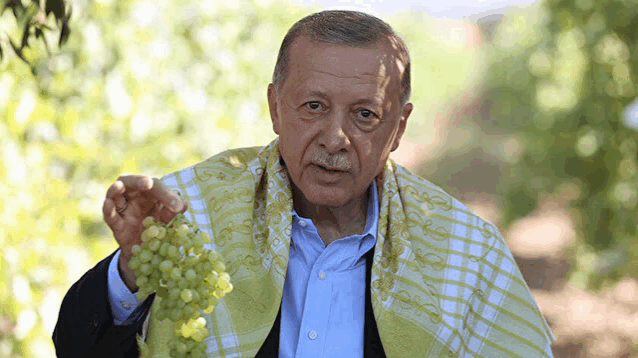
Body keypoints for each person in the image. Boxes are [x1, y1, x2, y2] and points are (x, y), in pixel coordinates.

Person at [53, 10, 555, 357]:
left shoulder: (464, 252)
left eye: (364, 115)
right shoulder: (192, 210)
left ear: (398, 130)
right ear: (275, 108)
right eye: (313, 107)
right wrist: (133, 268)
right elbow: (76, 346)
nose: (334, 138)